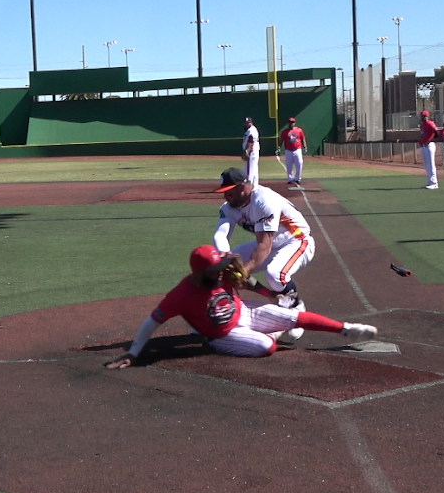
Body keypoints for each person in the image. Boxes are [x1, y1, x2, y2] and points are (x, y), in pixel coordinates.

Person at [106, 245, 376, 367]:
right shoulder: (181, 294)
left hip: (243, 311)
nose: (221, 271)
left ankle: (346, 329)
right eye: (216, 269)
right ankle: (242, 338)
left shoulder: (220, 272)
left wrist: (269, 294)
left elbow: (245, 282)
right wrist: (133, 353)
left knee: (293, 316)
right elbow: (151, 322)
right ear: (200, 273)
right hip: (221, 334)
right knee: (267, 347)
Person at [213, 166, 315, 307]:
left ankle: (296, 306)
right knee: (225, 266)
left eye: (229, 192)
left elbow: (264, 246)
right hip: (272, 243)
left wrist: (245, 270)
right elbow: (221, 234)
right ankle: (227, 307)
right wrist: (225, 254)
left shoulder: (263, 201)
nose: (225, 196)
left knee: (275, 274)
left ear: (241, 187)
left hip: (297, 240)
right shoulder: (229, 207)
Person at [279, 116, 306, 186]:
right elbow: (281, 140)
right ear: (288, 123)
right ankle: (290, 179)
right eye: (290, 122)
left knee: (299, 163)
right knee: (289, 165)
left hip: (297, 149)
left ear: (294, 123)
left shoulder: (299, 130)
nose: (291, 124)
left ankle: (298, 178)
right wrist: (279, 147)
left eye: (292, 122)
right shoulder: (285, 132)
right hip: (288, 150)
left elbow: (302, 138)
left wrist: (305, 146)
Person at [418, 109, 440, 189]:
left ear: (427, 116)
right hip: (424, 146)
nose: (423, 118)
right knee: (426, 164)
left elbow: (437, 134)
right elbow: (422, 135)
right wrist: (421, 142)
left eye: (424, 116)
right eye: (422, 116)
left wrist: (429, 140)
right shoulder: (422, 126)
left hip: (430, 145)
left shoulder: (431, 123)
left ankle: (434, 183)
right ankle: (430, 181)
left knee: (431, 164)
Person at [241, 117, 260, 185]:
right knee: (254, 168)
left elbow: (251, 140)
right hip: (252, 150)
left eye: (248, 123)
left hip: (251, 151)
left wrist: (247, 151)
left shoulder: (252, 130)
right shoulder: (249, 130)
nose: (246, 124)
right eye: (246, 123)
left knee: (250, 169)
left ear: (251, 123)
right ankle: (254, 185)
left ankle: (249, 184)